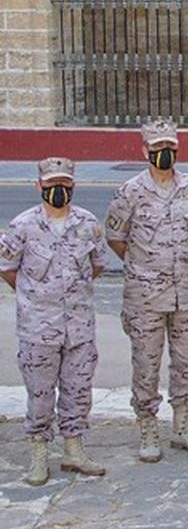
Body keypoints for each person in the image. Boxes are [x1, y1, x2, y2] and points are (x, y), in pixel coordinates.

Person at [104, 120, 188, 462]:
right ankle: (148, 427)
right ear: (144, 151)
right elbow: (116, 238)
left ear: (177, 150)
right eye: (156, 148)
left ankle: (182, 424)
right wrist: (146, 265)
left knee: (186, 363)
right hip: (145, 297)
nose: (163, 154)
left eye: (169, 147)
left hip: (186, 294)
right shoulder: (130, 191)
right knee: (146, 364)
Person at [1, 158, 108, 486]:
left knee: (78, 390)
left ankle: (73, 450)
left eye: (64, 185)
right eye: (50, 186)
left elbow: (99, 263)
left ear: (73, 186)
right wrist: (36, 297)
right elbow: (7, 267)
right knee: (40, 392)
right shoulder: (23, 226)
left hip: (78, 327)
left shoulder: (87, 223)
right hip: (38, 327)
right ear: (39, 187)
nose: (58, 191)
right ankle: (38, 453)